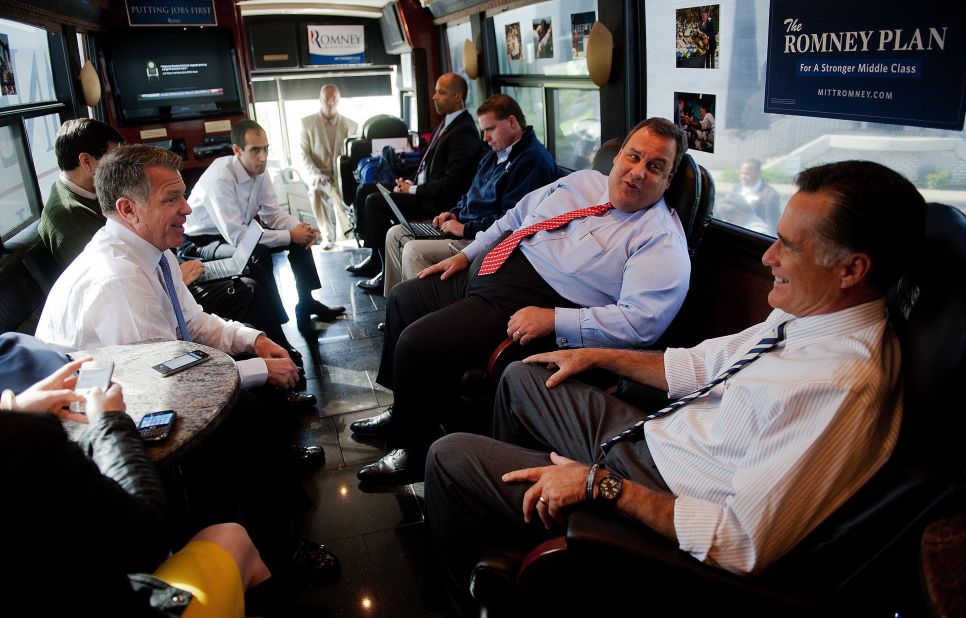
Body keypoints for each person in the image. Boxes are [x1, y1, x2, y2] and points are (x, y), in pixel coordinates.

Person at [423, 160, 927, 617]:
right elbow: (699, 365)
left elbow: (740, 543)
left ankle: (508, 572)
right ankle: (527, 531)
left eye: (789, 246)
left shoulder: (842, 386)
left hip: (660, 493)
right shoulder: (806, 315)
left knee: (449, 457)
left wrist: (600, 486)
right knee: (525, 375)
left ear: (852, 269)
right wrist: (593, 354)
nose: (768, 257)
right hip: (658, 437)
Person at [351, 117, 692, 484]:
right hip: (490, 268)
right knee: (404, 298)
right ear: (619, 154)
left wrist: (555, 319)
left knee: (418, 343)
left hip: (532, 302)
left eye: (654, 167)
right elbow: (515, 217)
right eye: (634, 156)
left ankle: (413, 449)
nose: (637, 172)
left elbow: (639, 323)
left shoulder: (661, 242)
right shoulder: (583, 181)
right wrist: (467, 254)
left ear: (668, 180)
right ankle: (404, 407)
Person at [0, 361, 272, 617]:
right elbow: (145, 538)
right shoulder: (29, 440)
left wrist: (13, 408)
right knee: (232, 536)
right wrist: (110, 421)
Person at [37, 119, 305, 374]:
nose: (187, 208)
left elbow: (192, 322)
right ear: (128, 209)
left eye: (183, 196)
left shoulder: (158, 250)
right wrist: (258, 369)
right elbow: (164, 372)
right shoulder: (119, 278)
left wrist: (254, 340)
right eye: (171, 199)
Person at [381, 94, 557, 295]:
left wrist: (464, 229)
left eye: (490, 129)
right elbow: (470, 194)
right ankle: (396, 310)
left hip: (484, 239)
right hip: (464, 226)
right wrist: (454, 213)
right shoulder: (494, 153)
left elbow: (512, 221)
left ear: (512, 122)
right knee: (395, 234)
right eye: (483, 131)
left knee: (413, 251)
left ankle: (421, 316)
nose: (485, 138)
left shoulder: (531, 162)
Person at [182, 120, 345, 328]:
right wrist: (289, 235)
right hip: (202, 243)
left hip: (235, 234)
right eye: (255, 150)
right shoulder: (220, 179)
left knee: (299, 239)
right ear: (237, 150)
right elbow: (239, 238)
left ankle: (307, 302)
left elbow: (272, 215)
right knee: (258, 252)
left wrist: (298, 229)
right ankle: (273, 324)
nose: (263, 157)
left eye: (266, 149)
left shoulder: (260, 171)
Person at [346, 72, 483, 288]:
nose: (434, 97)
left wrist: (411, 190)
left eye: (441, 92)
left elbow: (450, 185)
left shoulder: (464, 132)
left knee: (375, 201)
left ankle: (383, 269)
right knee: (365, 189)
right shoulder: (447, 122)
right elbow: (428, 165)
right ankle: (374, 255)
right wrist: (407, 182)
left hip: (434, 200)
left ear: (458, 97)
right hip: (421, 188)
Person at [300, 84, 358, 248]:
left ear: (339, 100)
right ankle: (328, 236)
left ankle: (345, 236)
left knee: (340, 194)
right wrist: (316, 174)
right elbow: (303, 155)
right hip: (319, 175)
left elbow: (353, 157)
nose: (331, 102)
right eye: (327, 99)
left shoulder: (351, 125)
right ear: (320, 99)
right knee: (316, 190)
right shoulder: (307, 124)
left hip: (342, 176)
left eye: (334, 99)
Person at [724, 158, 782, 232]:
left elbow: (772, 225)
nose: (743, 177)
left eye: (747, 174)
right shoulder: (737, 187)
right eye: (741, 173)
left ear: (759, 174)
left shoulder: (771, 196)